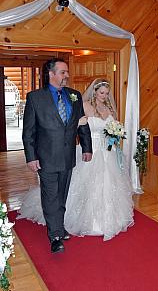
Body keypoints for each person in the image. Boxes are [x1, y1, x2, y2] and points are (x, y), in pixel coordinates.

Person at [18, 78, 134, 242]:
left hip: (108, 152)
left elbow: (112, 128)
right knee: (87, 185)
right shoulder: (84, 105)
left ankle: (109, 218)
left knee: (108, 184)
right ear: (95, 91)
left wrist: (115, 134)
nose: (104, 96)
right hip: (90, 150)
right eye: (102, 93)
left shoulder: (109, 108)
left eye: (107, 94)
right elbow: (75, 125)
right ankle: (73, 219)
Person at [21, 58, 92, 254]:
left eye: (67, 72)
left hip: (68, 157)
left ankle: (58, 227)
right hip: (45, 158)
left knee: (61, 196)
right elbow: (28, 132)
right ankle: (55, 237)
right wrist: (31, 157)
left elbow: (82, 124)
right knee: (50, 196)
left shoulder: (74, 96)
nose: (66, 76)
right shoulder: (35, 98)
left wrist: (87, 147)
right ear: (51, 74)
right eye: (62, 72)